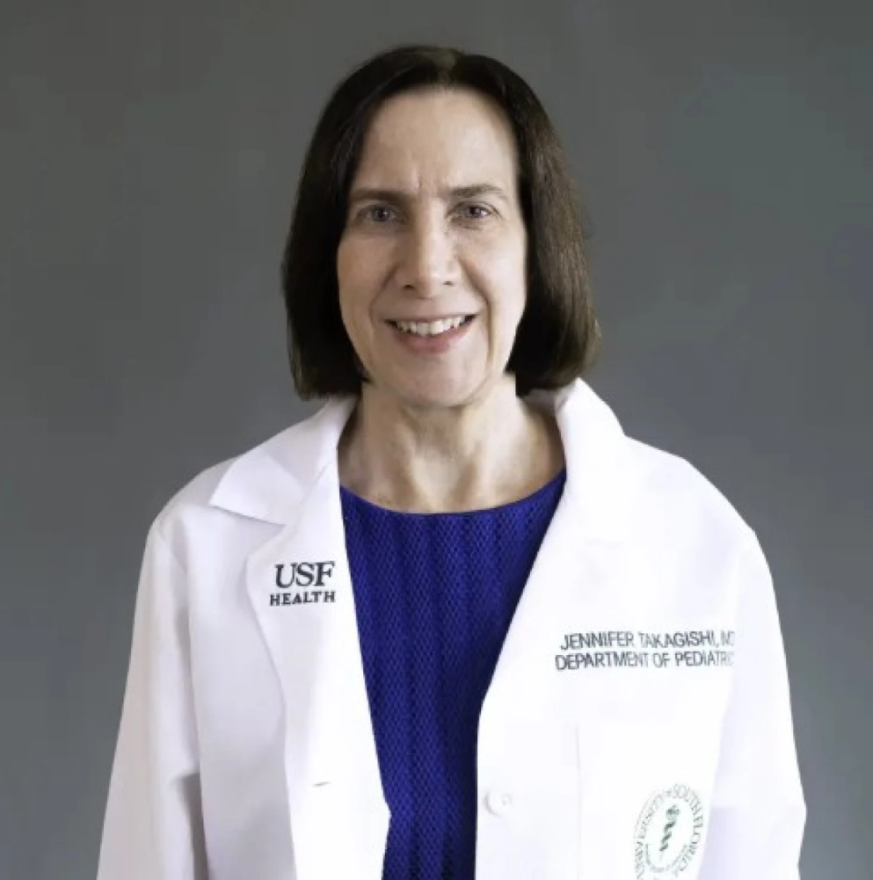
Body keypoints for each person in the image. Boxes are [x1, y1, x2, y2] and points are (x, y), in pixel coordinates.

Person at [97, 44, 805, 880]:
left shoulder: (696, 545)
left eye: (473, 211)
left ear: (536, 247)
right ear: (327, 255)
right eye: (380, 214)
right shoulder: (206, 546)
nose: (427, 267)